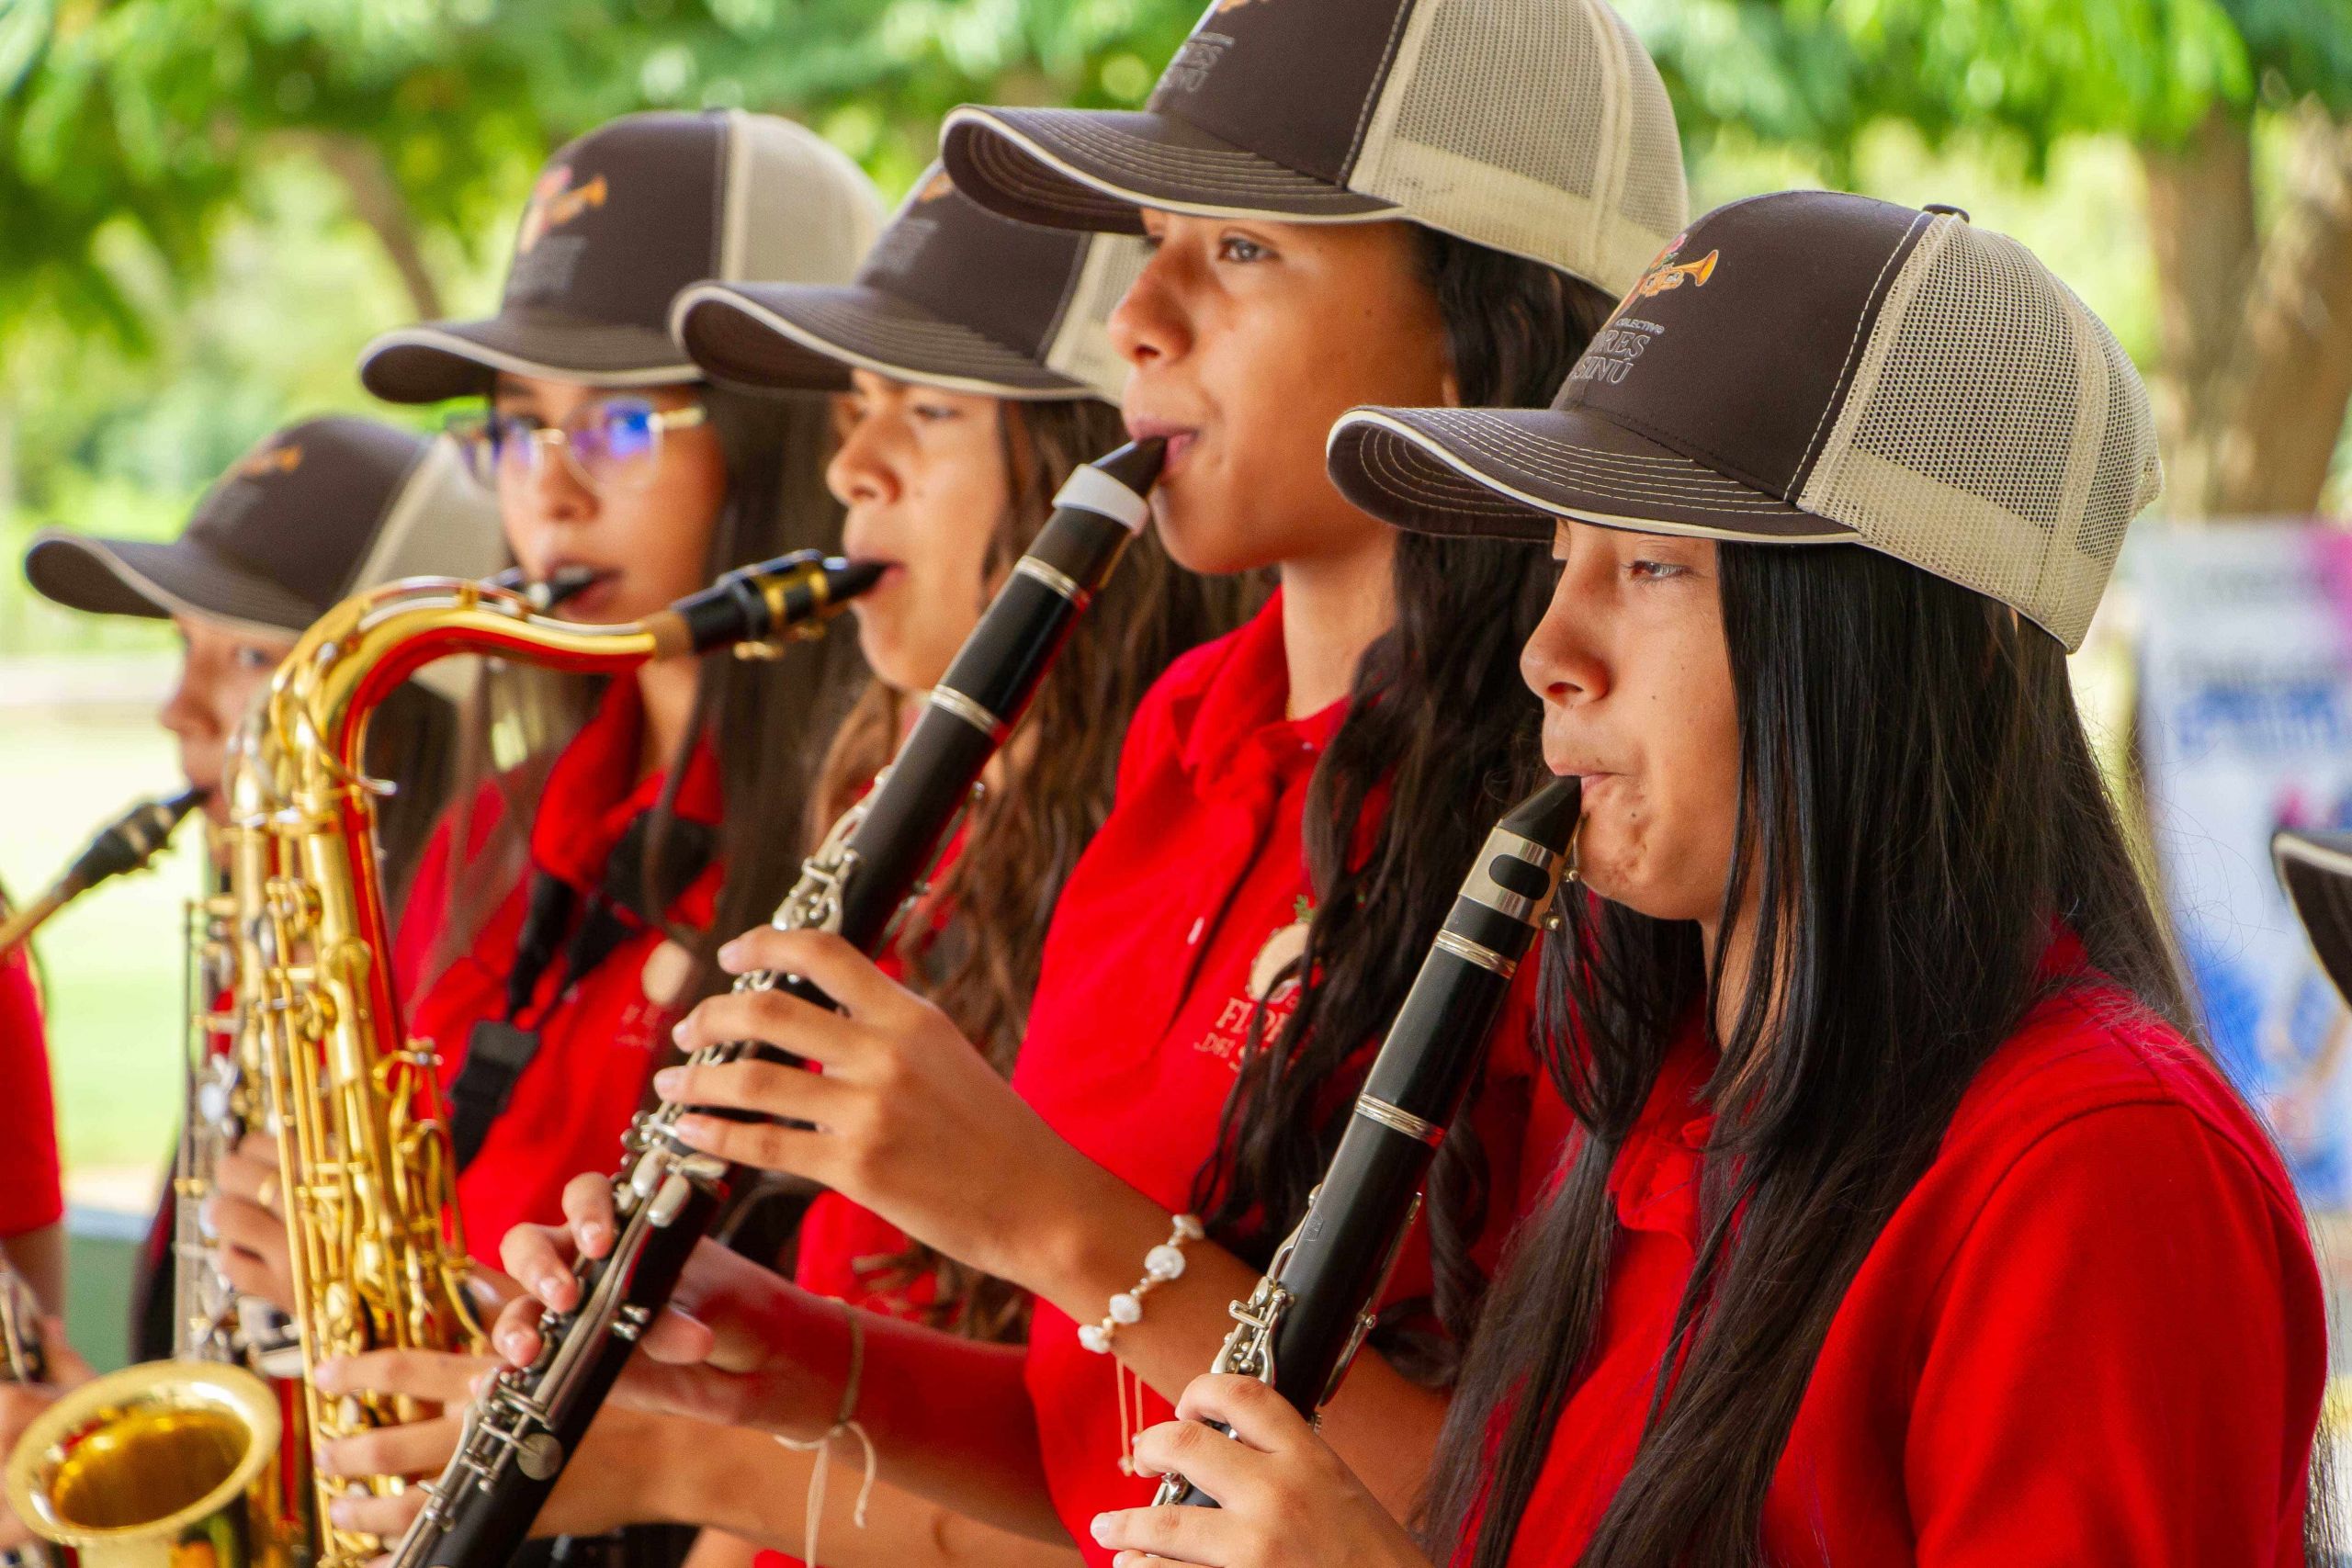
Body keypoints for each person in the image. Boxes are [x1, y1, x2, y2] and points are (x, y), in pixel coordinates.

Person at [482, 2, 1689, 1562]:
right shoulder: (1183, 729)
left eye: (1238, 250)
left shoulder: (1591, 805)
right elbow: (1104, 1457)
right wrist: (785, 1359)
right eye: (1150, 244)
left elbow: (1537, 1515)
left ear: (1477, 323)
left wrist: (1038, 1215)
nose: (1136, 319)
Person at [1085, 191, 2330, 1568]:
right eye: (1562, 559)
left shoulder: (2099, 1166)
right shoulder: (1659, 1113)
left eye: (1653, 566)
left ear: (1935, 645)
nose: (1549, 652)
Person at [320, 167, 1251, 1568]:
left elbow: (1124, 1484)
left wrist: (682, 1456)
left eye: (927, 409)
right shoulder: (893, 815)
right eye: (853, 405)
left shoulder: (1160, 842)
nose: (850, 466)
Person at [186, 113, 887, 1363]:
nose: (547, 496)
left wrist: (424, 1308)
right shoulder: (494, 825)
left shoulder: (879, 834)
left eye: (619, 426)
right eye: (516, 429)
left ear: (785, 435)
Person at [1, 413, 499, 1551]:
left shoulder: (441, 994)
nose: (178, 711)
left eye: (247, 659)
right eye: (186, 648)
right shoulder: (262, 960)